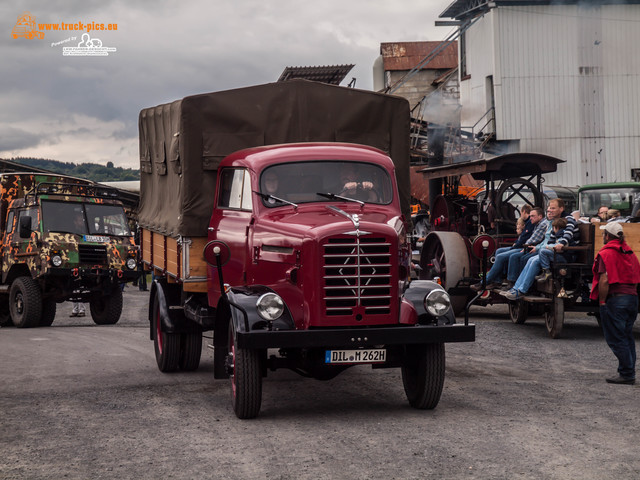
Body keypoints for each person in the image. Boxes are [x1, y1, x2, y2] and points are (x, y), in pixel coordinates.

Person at [590, 222, 640, 385]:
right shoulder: (630, 252)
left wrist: (603, 301)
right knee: (626, 336)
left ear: (607, 236)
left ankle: (627, 373)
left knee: (617, 338)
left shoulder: (607, 254)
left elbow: (604, 279)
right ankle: (628, 371)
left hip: (616, 299)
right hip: (632, 297)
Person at [503, 198, 577, 299]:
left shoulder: (568, 219)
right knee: (531, 259)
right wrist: (545, 246)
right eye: (549, 208)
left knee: (534, 261)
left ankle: (522, 290)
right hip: (556, 252)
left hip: (566, 253)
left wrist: (561, 244)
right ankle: (516, 288)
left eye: (553, 208)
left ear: (561, 209)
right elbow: (551, 238)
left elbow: (568, 234)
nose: (550, 210)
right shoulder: (555, 221)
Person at [470, 205, 535, 291]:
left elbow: (524, 239)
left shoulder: (530, 223)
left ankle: (484, 282)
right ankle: (497, 280)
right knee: (499, 251)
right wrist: (515, 244)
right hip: (519, 245)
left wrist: (515, 246)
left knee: (501, 256)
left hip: (522, 247)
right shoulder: (527, 223)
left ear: (523, 212)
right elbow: (522, 237)